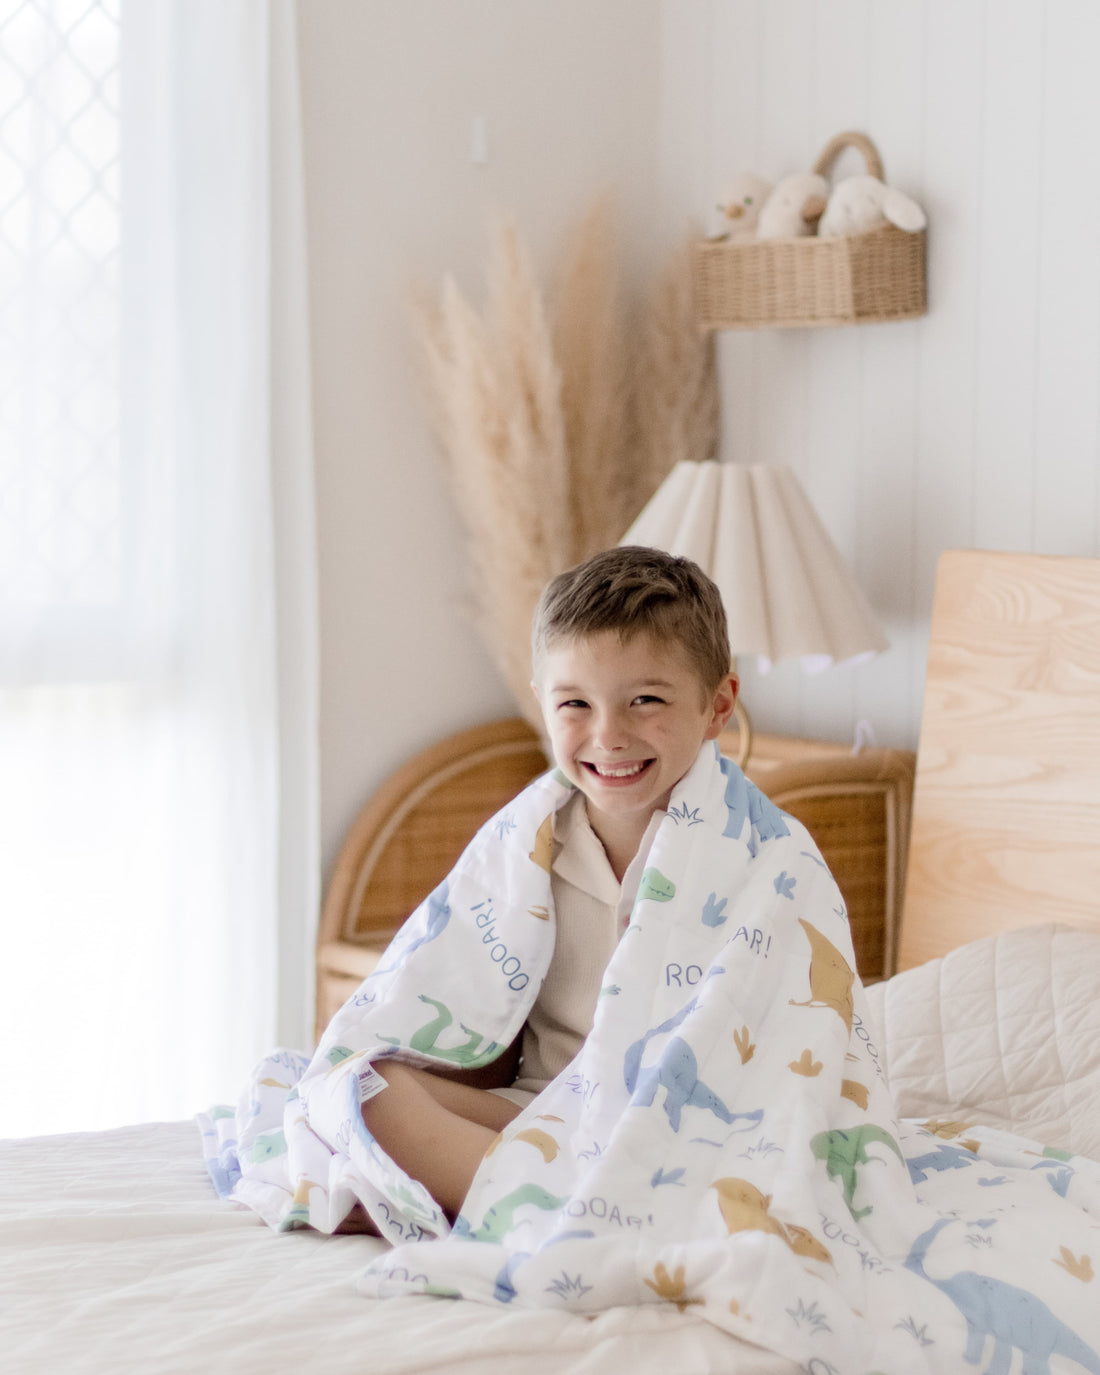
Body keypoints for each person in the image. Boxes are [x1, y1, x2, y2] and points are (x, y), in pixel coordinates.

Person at [360, 546, 738, 1219]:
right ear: (542, 703)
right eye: (575, 703)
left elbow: (795, 1044)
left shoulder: (761, 856)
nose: (608, 734)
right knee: (364, 1090)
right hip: (541, 1114)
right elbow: (449, 975)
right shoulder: (528, 840)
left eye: (645, 699)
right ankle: (570, 1198)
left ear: (717, 704)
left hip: (679, 1131)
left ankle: (558, 1202)